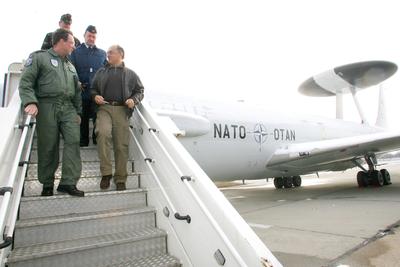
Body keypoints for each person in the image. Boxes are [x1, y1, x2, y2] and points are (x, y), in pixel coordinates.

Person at [19, 28, 84, 197]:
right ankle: (47, 183)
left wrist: (78, 111)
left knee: (74, 141)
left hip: (68, 107)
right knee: (48, 145)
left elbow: (77, 90)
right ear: (61, 41)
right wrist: (30, 101)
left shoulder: (70, 66)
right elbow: (26, 81)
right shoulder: (40, 57)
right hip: (47, 105)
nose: (73, 47)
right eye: (71, 43)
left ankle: (68, 182)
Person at [91, 45, 144, 191]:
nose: (107, 55)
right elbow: (93, 88)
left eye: (111, 53)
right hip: (104, 109)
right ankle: (106, 174)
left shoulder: (131, 74)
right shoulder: (101, 72)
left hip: (122, 110)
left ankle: (120, 178)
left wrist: (134, 100)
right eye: (107, 53)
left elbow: (140, 91)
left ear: (121, 54)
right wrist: (95, 96)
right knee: (102, 133)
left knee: (121, 146)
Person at [71, 25, 107, 146]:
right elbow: (70, 69)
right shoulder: (75, 52)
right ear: (84, 36)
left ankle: (96, 140)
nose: (91, 38)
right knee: (83, 117)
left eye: (94, 36)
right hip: (81, 91)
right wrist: (76, 82)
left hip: (97, 92)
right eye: (89, 36)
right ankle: (83, 141)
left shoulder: (102, 54)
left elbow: (108, 71)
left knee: (97, 116)